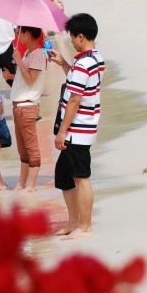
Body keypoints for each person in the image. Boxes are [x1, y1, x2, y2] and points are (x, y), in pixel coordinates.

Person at [47, 13, 104, 238]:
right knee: (63, 176)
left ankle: (86, 226)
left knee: (81, 177)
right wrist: (63, 63)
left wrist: (62, 132)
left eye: (72, 37)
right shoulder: (94, 58)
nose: (71, 41)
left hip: (77, 130)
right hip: (81, 128)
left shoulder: (85, 63)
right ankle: (73, 221)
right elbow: (76, 82)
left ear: (81, 36)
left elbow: (74, 99)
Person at [10, 25, 46, 192]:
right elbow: (26, 78)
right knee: (22, 149)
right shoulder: (27, 53)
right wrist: (12, 75)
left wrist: (18, 61)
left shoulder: (38, 54)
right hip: (19, 106)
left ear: (28, 33)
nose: (17, 35)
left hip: (27, 106)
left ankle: (30, 185)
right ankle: (22, 183)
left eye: (19, 32)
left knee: (31, 148)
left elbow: (31, 79)